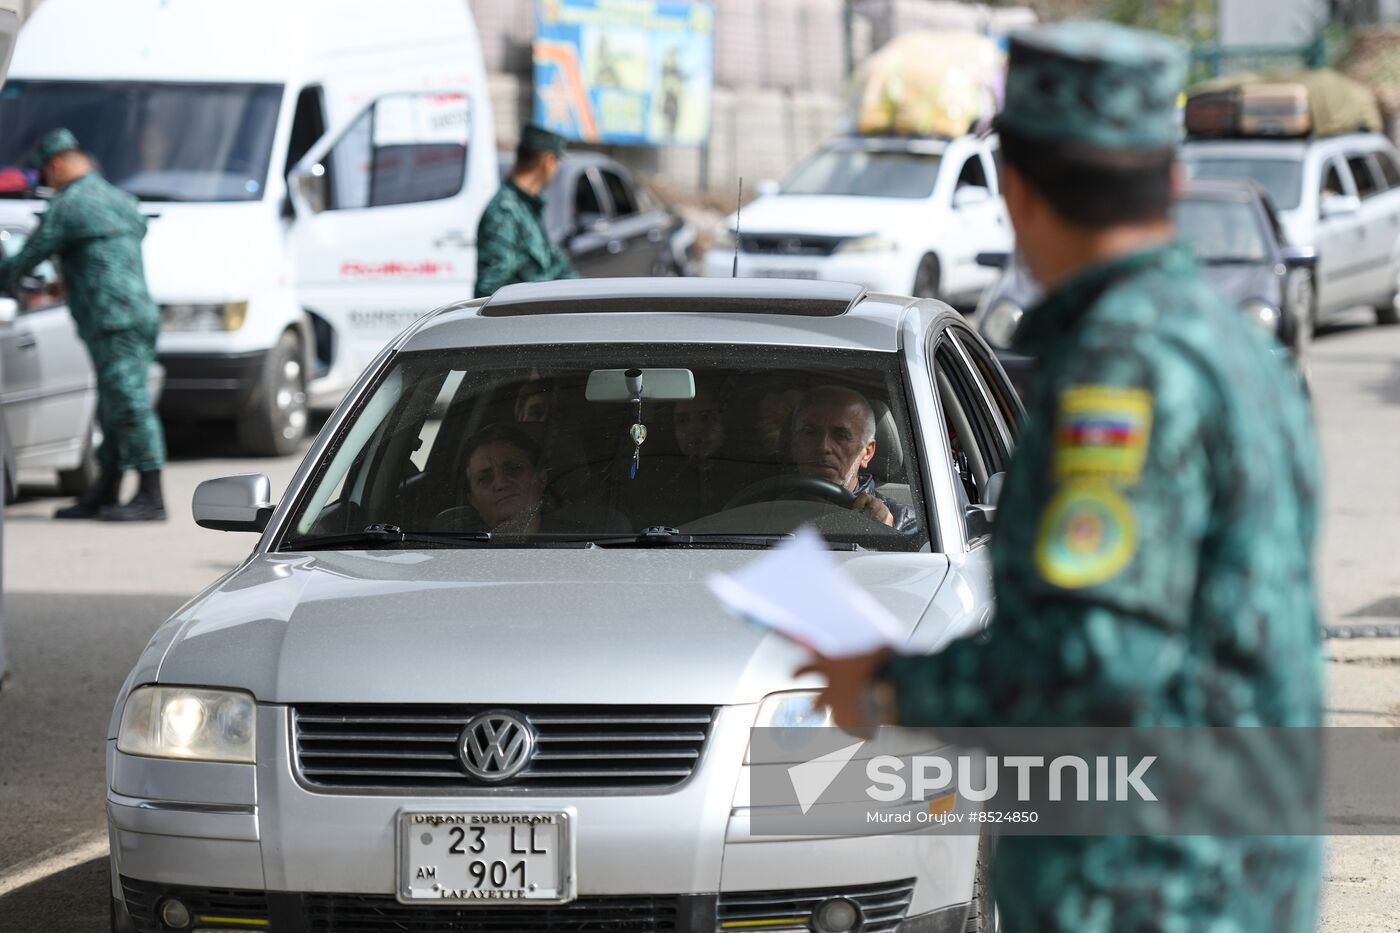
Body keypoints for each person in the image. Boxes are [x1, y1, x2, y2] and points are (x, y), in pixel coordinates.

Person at [800, 22, 1322, 932]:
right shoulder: (1240, 348)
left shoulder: (1121, 371)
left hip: (1145, 887)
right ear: (1174, 180)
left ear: (1015, 189)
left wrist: (883, 686)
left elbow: (1096, 659)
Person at [0, 129, 167, 521]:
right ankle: (105, 490)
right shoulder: (120, 200)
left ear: (55, 167)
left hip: (112, 320)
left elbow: (28, 257)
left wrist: (7, 275)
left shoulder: (69, 205)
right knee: (112, 408)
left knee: (129, 405)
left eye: (46, 175)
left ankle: (152, 496)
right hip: (138, 313)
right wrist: (74, 277)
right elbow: (112, 249)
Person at [789, 386, 917, 534]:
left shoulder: (905, 524)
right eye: (810, 433)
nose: (823, 447)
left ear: (867, 452)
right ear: (794, 445)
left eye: (841, 436)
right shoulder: (766, 508)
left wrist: (885, 535)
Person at [474, 125, 578, 298]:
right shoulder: (505, 211)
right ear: (548, 161)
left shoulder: (526, 207)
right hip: (519, 322)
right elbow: (489, 292)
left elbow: (555, 266)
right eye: (557, 162)